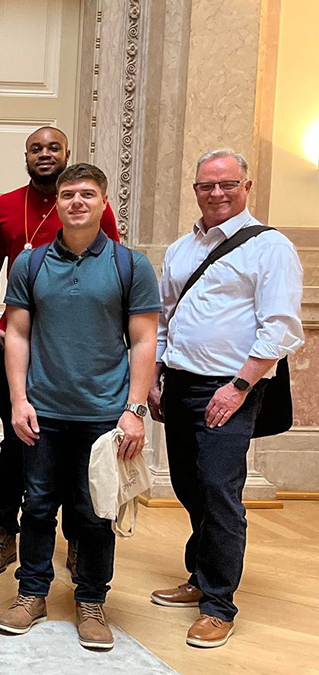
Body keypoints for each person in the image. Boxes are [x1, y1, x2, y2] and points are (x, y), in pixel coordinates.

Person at [0, 163, 159, 651]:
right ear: (57, 204)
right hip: (43, 411)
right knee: (38, 505)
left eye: (87, 194)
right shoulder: (31, 264)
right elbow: (17, 333)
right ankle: (31, 594)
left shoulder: (132, 265)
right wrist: (19, 400)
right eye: (68, 195)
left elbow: (144, 340)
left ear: (104, 202)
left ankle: (91, 601)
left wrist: (135, 410)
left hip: (105, 415)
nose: (77, 202)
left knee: (93, 513)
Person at [148, 149, 303, 649]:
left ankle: (219, 604)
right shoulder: (180, 249)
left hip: (232, 387)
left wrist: (238, 387)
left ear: (247, 186)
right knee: (189, 486)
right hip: (180, 382)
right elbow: (167, 319)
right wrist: (155, 374)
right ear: (194, 189)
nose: (216, 193)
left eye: (227, 184)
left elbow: (280, 328)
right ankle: (200, 575)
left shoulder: (270, 248)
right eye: (206, 185)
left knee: (219, 490)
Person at [0, 125, 121, 577]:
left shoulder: (90, 208)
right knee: (18, 441)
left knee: (81, 448)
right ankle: (4, 531)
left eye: (53, 147)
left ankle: (78, 540)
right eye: (36, 148)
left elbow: (110, 269)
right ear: (25, 156)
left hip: (75, 347)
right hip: (18, 342)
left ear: (66, 153)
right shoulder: (3, 207)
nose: (44, 154)